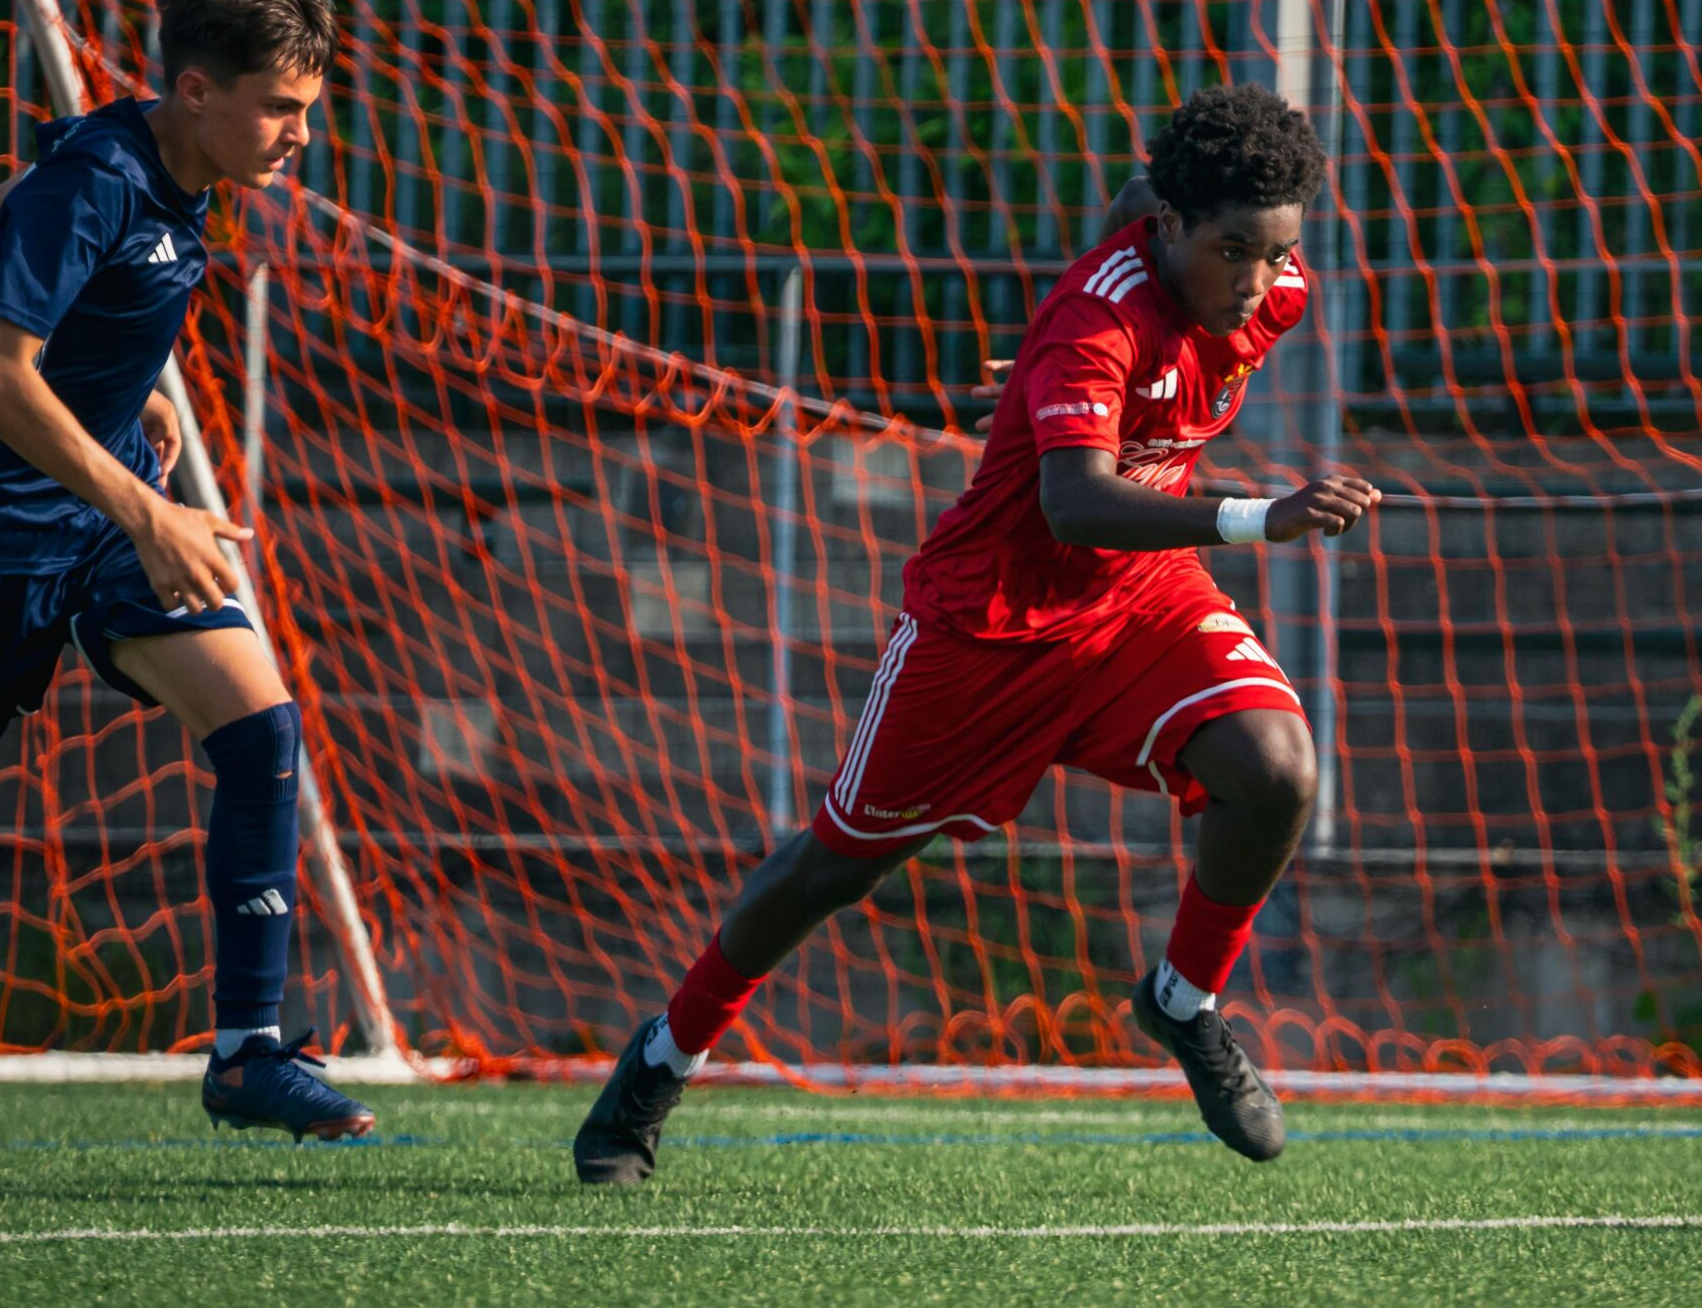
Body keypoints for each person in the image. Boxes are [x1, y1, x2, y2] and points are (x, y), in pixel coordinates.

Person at [576, 82, 1380, 1182]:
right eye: (1231, 249)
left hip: (1137, 596)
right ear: (1172, 233)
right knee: (832, 870)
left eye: (1275, 250)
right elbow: (1072, 505)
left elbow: (1142, 192)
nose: (1255, 280)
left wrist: (1067, 382)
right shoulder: (1095, 328)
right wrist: (1258, 514)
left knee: (1279, 769)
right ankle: (651, 1075)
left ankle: (1183, 1002)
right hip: (988, 623)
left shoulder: (1264, 287)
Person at [0, 0, 372, 1140]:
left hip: (105, 514)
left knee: (260, 725)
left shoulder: (171, 167)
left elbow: (5, 217)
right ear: (197, 91)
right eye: (280, 110)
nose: (300, 136)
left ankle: (247, 1054)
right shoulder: (100, 178)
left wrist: (113, 381)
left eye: (309, 109)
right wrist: (146, 506)